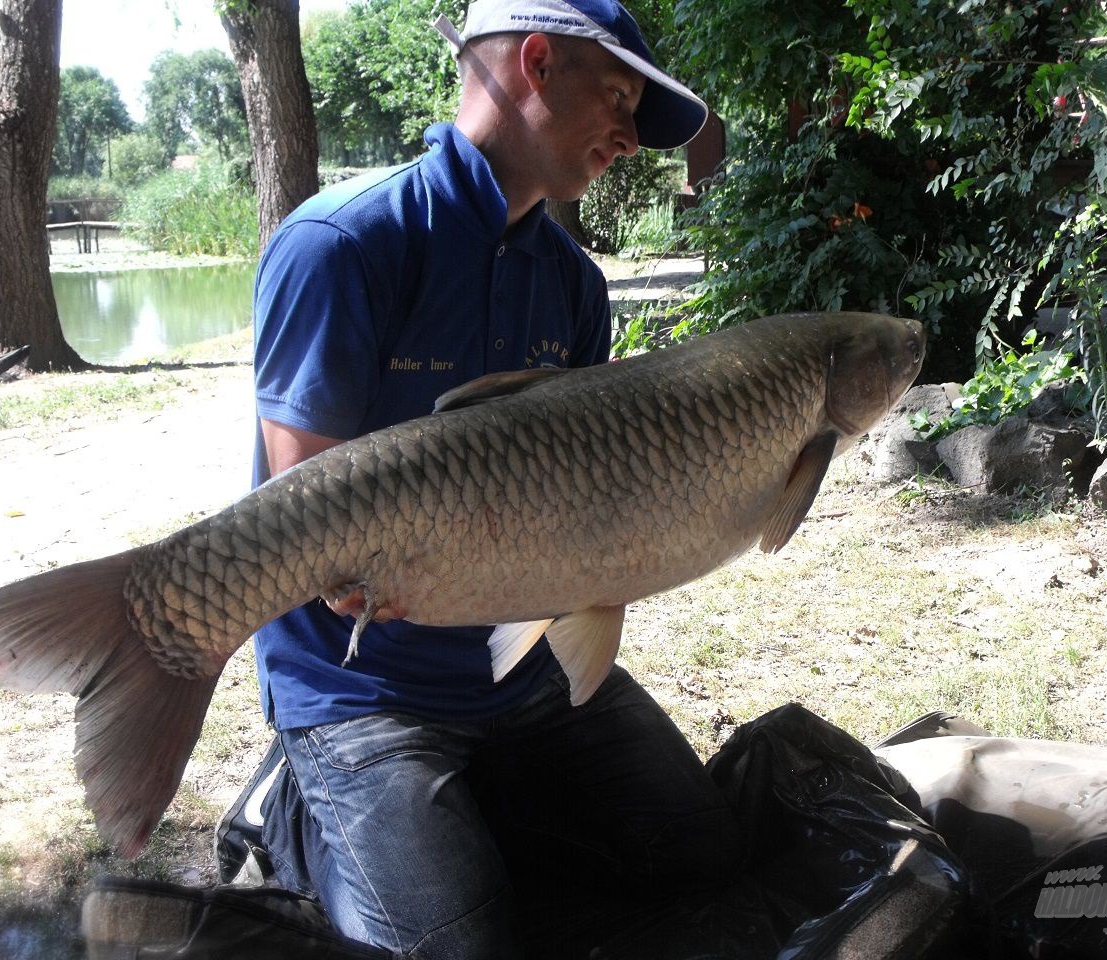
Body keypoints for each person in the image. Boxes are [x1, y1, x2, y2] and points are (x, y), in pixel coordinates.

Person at [248, 1, 743, 956]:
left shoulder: (576, 287)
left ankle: (465, 808)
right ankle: (300, 812)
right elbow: (310, 529)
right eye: (621, 99)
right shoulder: (343, 244)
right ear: (537, 63)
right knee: (456, 947)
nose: (633, 140)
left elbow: (596, 505)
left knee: (699, 854)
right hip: (363, 688)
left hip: (518, 676)